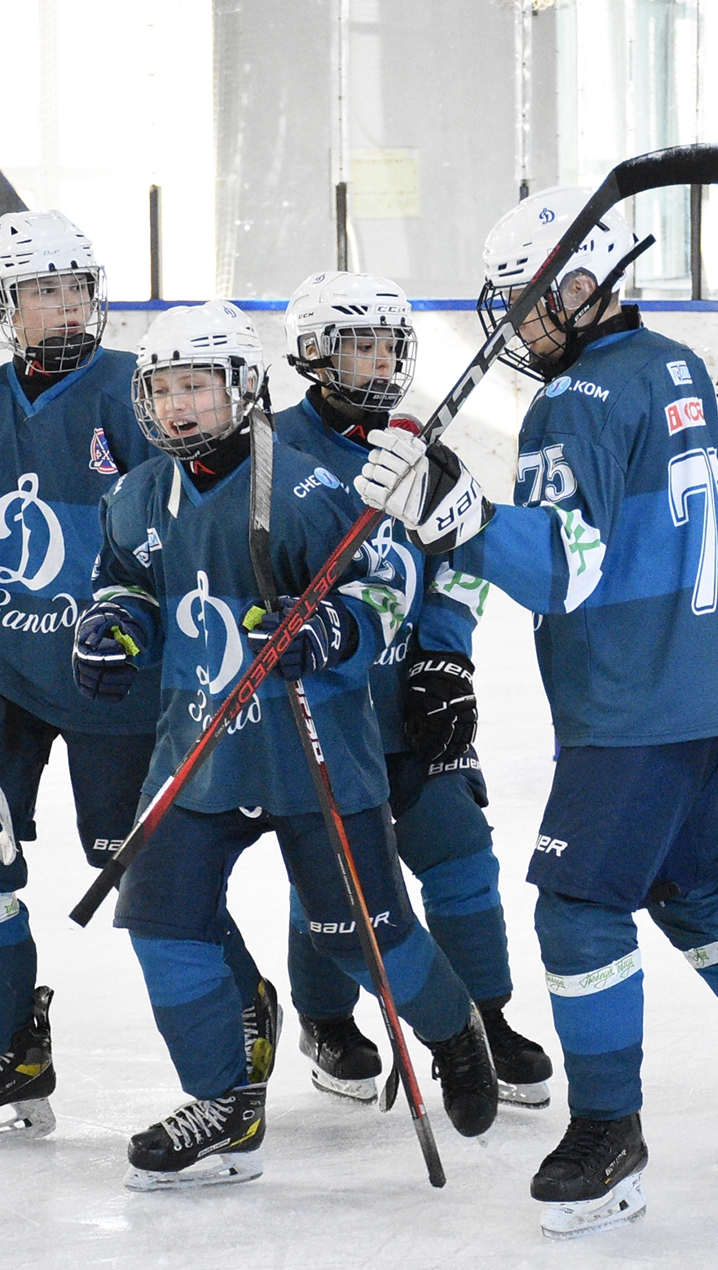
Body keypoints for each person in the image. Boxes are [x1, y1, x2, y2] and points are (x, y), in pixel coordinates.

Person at [357, 188, 718, 1240]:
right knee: (693, 883)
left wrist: (453, 516)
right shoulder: (673, 366)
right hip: (699, 677)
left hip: (633, 692)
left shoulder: (572, 402)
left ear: (580, 287)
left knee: (576, 904)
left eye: (526, 300)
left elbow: (563, 568)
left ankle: (607, 1131)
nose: (514, 323)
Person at [74, 301, 498, 1191]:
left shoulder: (305, 490)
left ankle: (452, 1025)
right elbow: (128, 585)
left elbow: (389, 590)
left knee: (363, 938)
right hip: (199, 751)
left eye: (198, 385)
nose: (179, 407)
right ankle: (226, 1105)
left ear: (243, 388)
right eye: (163, 388)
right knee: (159, 918)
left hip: (315, 752)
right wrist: (112, 625)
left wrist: (329, 631)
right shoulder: (138, 493)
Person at [0, 210, 274, 1150]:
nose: (64, 310)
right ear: (2, 304)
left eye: (78, 289)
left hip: (120, 685)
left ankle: (241, 1001)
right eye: (42, 293)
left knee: (141, 874)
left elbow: (197, 535)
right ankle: (10, 1050)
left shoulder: (142, 400)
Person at [272, 269, 553, 1109]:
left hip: (405, 703)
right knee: (329, 878)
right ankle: (326, 1018)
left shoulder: (423, 447)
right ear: (314, 352)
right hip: (319, 706)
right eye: (359, 342)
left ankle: (484, 1017)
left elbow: (460, 565)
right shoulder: (269, 450)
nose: (380, 358)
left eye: (391, 342)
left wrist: (444, 657)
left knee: (462, 852)